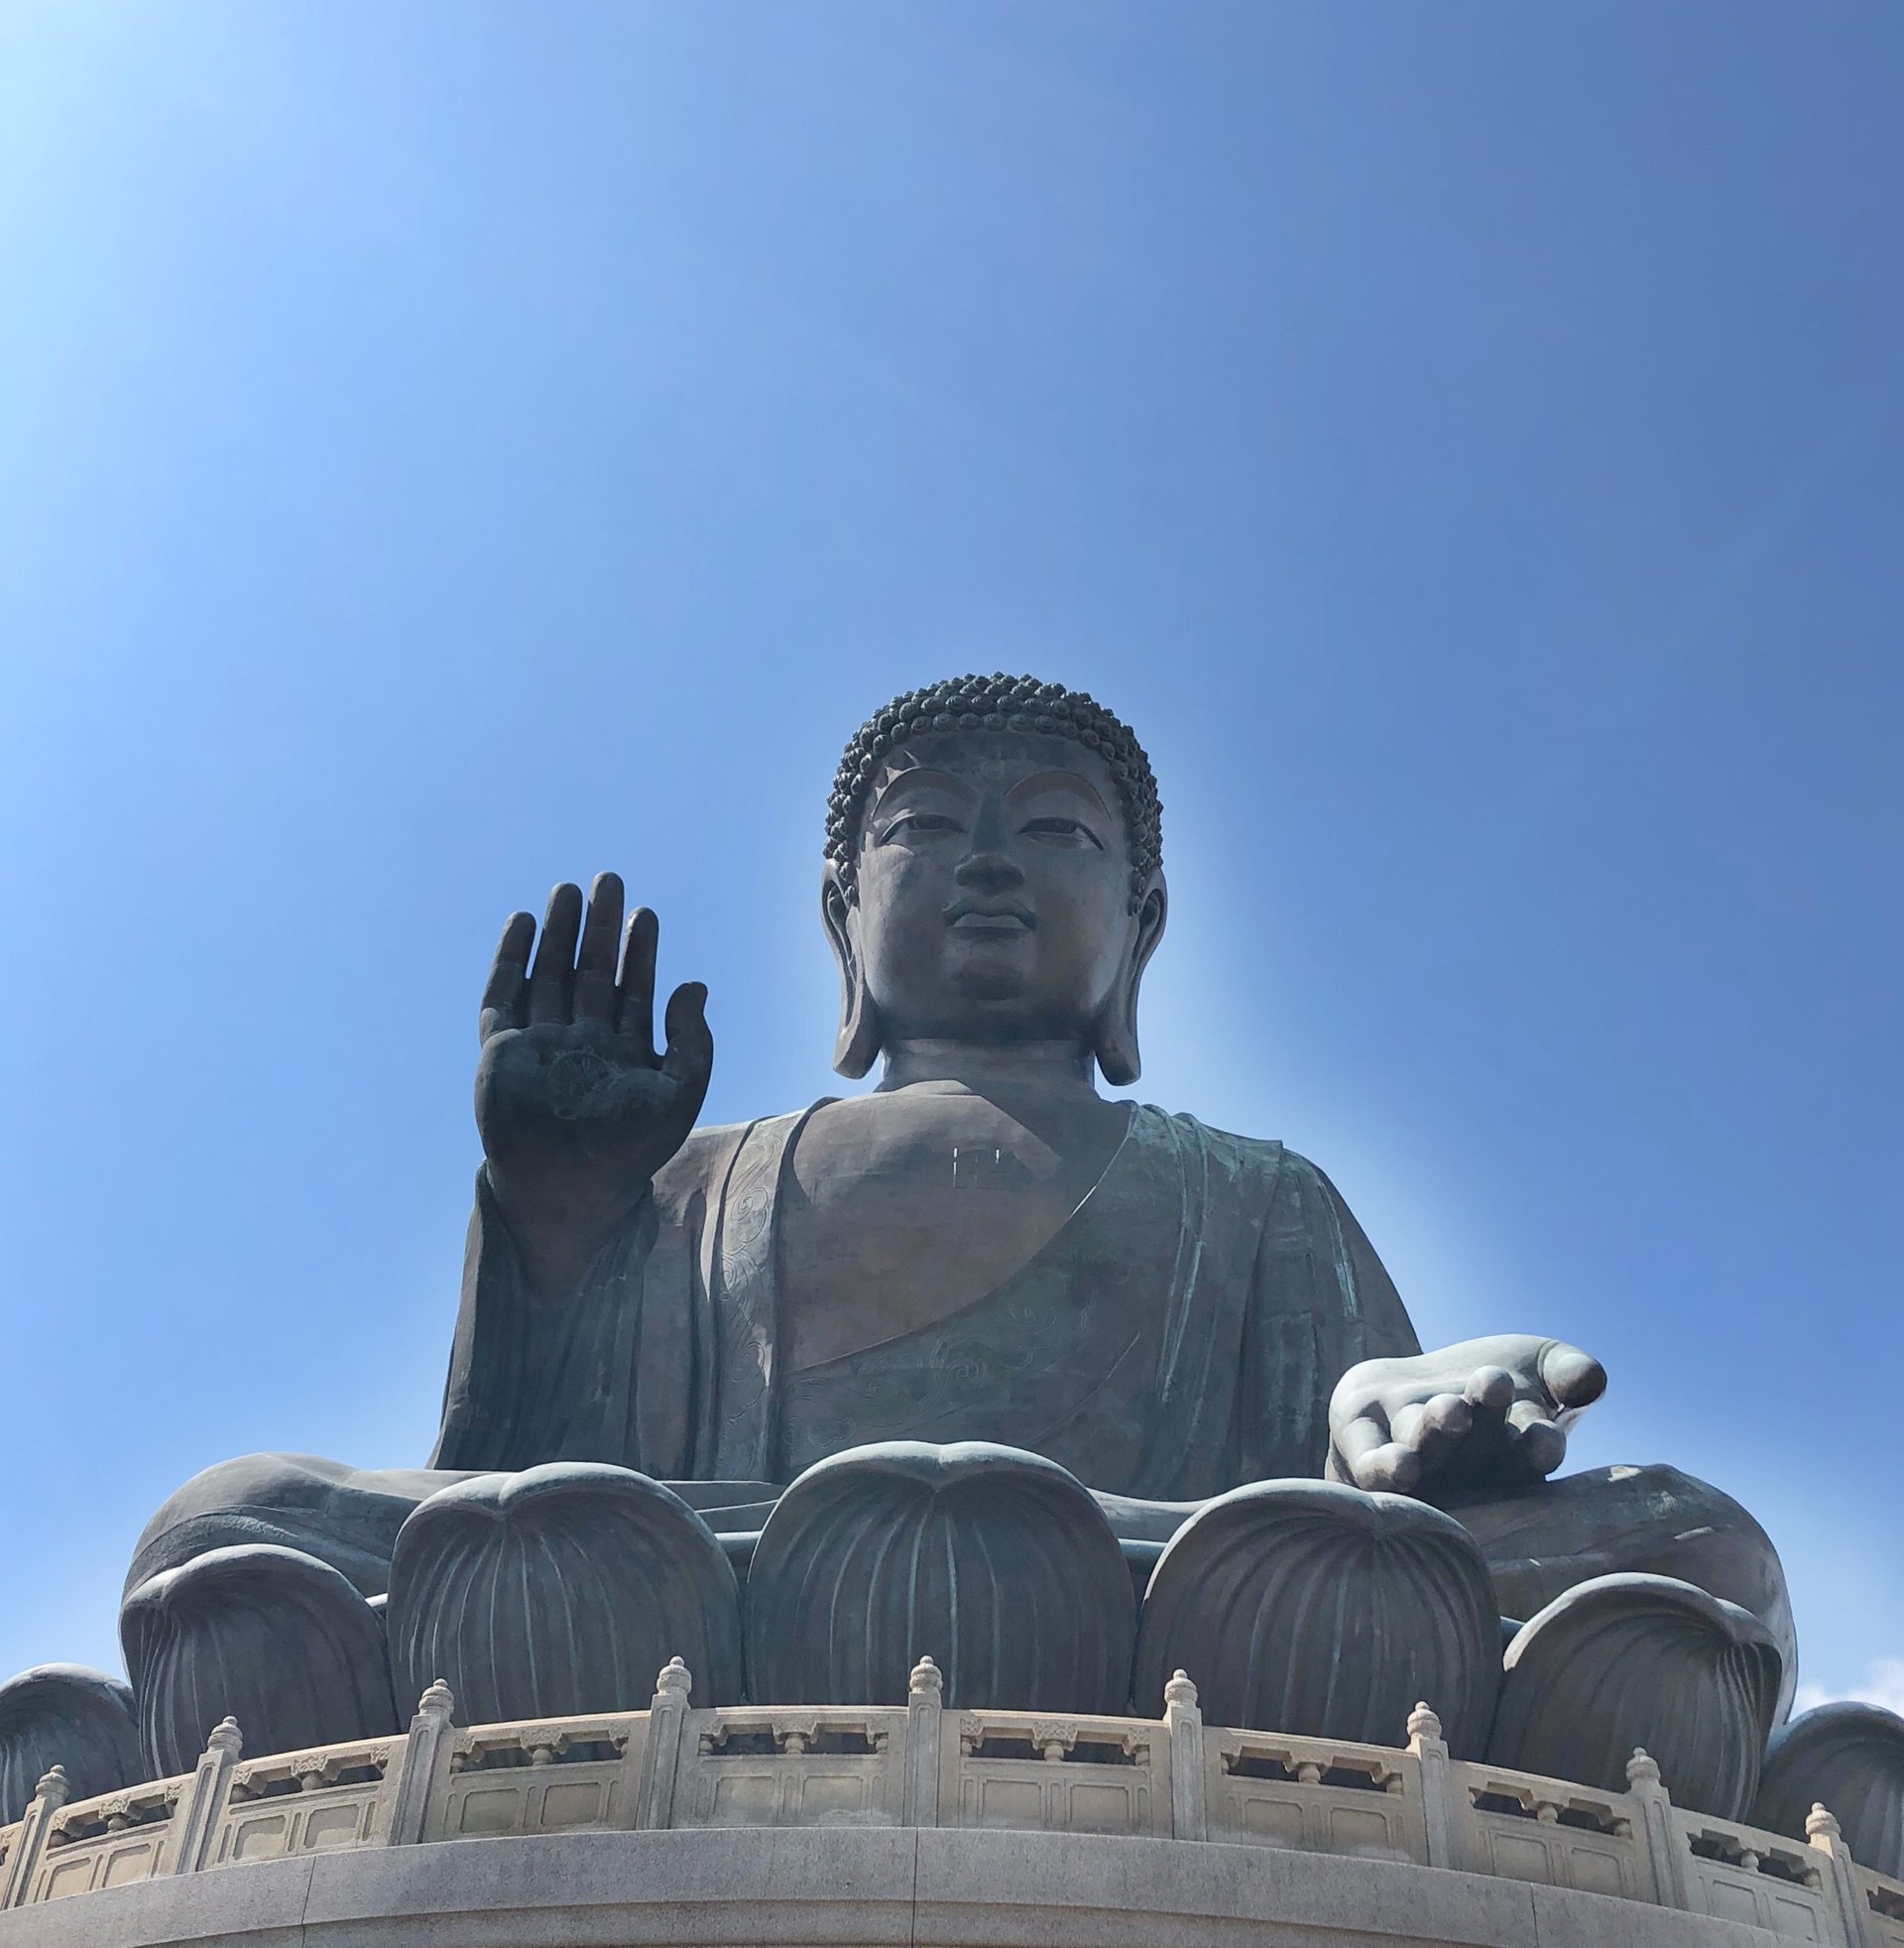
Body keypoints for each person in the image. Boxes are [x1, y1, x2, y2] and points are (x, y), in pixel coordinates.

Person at [128, 673, 1794, 1699]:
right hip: (715, 1577)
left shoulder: (1257, 1195)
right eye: (929, 827)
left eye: (1060, 834)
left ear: (1139, 926)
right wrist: (562, 1219)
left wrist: (1412, 1425)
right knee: (224, 1526)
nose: (992, 858)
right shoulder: (696, 1185)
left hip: (1167, 1595)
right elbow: (518, 1493)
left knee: (1698, 1551)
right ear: (842, 918)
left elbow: (1355, 1487)